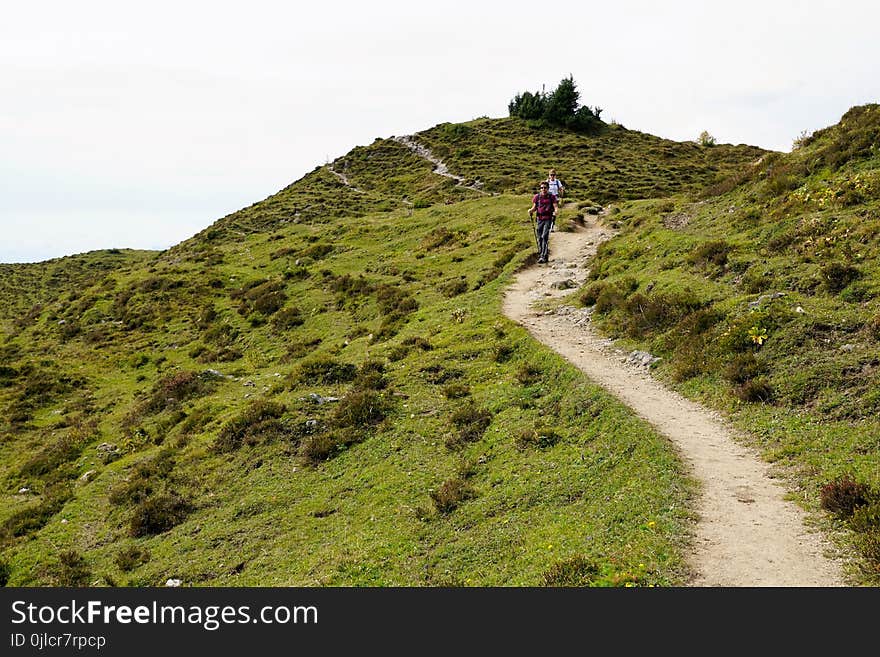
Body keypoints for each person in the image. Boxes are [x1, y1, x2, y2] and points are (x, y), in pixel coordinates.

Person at [528, 181, 558, 264]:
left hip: (548, 218)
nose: (543, 189)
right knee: (539, 237)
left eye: (545, 187)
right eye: (542, 188)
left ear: (548, 188)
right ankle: (542, 254)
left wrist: (555, 211)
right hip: (539, 219)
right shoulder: (537, 197)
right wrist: (531, 211)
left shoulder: (552, 197)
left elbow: (555, 206)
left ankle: (543, 256)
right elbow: (534, 207)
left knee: (545, 236)